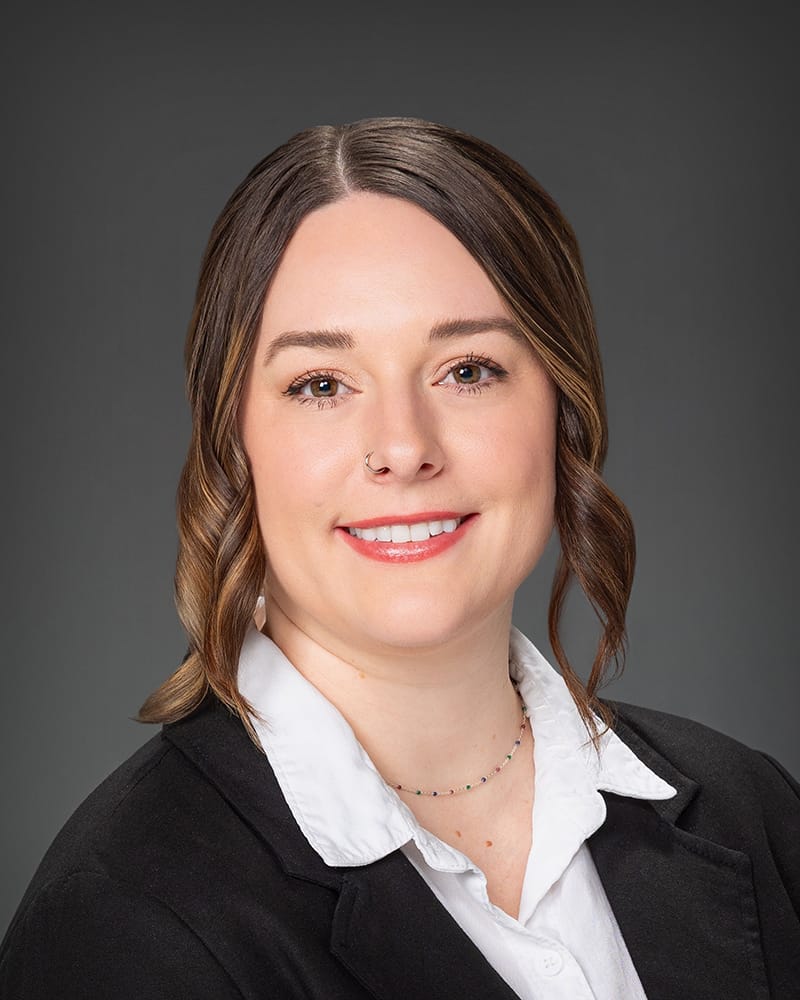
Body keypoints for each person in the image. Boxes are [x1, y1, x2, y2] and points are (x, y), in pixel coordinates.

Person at [1, 117, 798, 1000]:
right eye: (321, 385)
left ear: (563, 410)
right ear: (234, 446)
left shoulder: (754, 813)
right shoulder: (121, 924)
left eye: (468, 370)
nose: (404, 447)